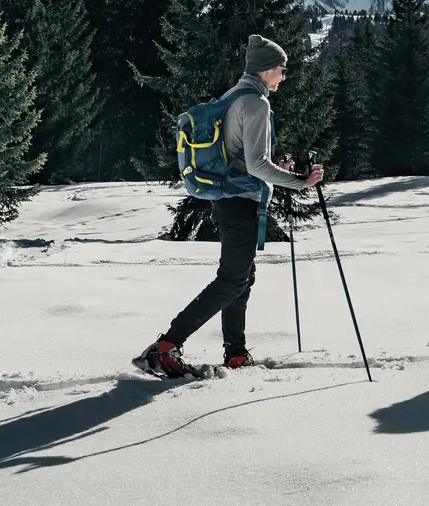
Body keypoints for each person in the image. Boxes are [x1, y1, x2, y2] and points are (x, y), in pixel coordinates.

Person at [134, 34, 324, 377]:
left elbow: (243, 158)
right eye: (282, 69)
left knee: (242, 278)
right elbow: (257, 166)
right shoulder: (256, 103)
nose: (284, 76)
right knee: (232, 280)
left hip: (229, 198)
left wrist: (279, 168)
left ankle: (235, 353)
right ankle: (164, 348)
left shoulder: (234, 96)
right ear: (266, 69)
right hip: (238, 202)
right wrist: (300, 181)